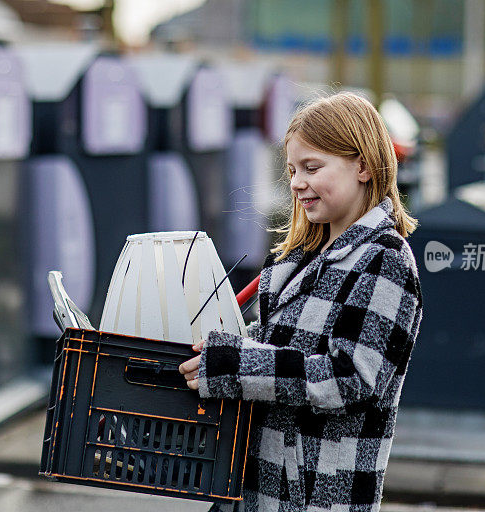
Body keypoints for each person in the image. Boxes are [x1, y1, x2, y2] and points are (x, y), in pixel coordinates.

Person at [179, 91, 423, 512]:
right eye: (292, 170)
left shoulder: (386, 261)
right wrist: (211, 350)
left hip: (314, 500)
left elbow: (350, 377)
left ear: (364, 165)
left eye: (312, 167)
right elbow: (273, 344)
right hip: (252, 491)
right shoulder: (302, 257)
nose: (296, 182)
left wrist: (233, 364)